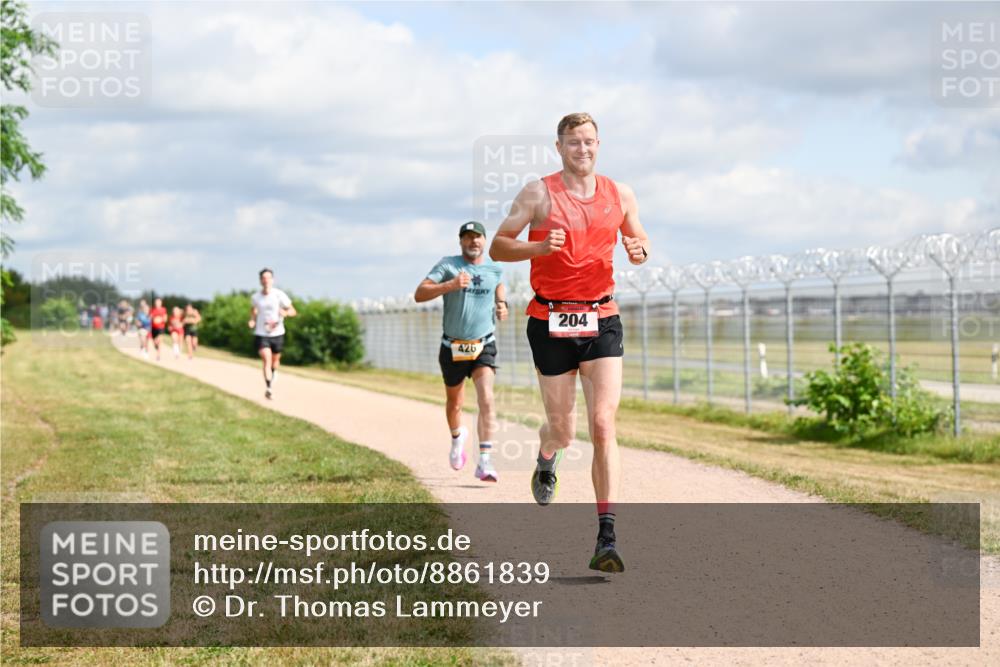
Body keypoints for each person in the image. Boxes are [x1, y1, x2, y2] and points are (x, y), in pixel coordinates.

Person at [489, 112, 650, 573]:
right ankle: (547, 455)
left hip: (601, 316)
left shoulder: (620, 194)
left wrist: (639, 250)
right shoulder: (538, 192)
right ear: (558, 147)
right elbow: (500, 245)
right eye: (574, 142)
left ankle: (607, 535)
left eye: (590, 141)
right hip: (550, 317)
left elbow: (639, 239)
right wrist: (538, 248)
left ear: (599, 145)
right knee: (564, 431)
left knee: (603, 424)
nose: (583, 149)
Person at [415, 221, 508, 483]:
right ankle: (457, 438)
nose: (473, 242)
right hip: (452, 346)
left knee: (487, 398)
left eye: (477, 237)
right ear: (460, 242)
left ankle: (485, 461)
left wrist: (502, 303)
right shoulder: (448, 265)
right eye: (467, 238)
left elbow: (498, 283)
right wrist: (450, 285)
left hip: (483, 343)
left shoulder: (494, 267)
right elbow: (419, 294)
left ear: (484, 241)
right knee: (455, 403)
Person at [248, 268, 296, 399]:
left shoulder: (279, 295)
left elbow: (293, 311)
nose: (266, 280)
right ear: (260, 281)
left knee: (275, 361)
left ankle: (274, 372)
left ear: (272, 280)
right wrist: (252, 320)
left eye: (268, 278)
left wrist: (285, 313)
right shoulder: (255, 297)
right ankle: (269, 387)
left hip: (277, 333)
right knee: (266, 359)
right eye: (263, 278)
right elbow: (253, 311)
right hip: (261, 333)